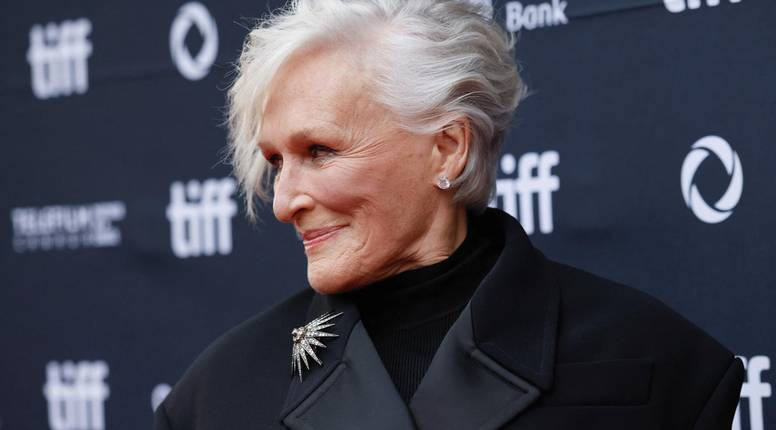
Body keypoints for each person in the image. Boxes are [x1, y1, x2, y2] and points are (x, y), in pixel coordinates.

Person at [154, 1, 744, 428]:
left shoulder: (657, 367)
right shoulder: (213, 400)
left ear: (448, 148)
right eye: (276, 162)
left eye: (320, 151)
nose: (285, 202)